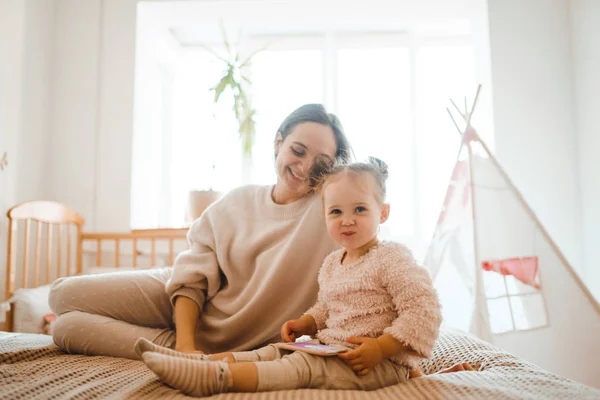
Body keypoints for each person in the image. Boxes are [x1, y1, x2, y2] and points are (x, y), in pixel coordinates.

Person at [48, 104, 353, 359]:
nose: (304, 167)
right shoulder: (238, 200)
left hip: (217, 341)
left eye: (321, 163)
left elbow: (369, 219)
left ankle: (176, 339)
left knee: (66, 328)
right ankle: (179, 337)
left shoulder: (330, 213)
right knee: (61, 293)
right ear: (278, 143)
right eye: (297, 151)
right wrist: (184, 346)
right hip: (182, 296)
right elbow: (191, 279)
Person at [135, 158, 445, 396]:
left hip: (376, 364)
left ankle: (215, 379)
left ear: (384, 213)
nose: (347, 220)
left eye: (360, 209)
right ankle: (199, 362)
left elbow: (424, 310)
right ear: (324, 215)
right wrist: (306, 324)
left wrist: (382, 348)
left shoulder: (392, 257)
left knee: (300, 368)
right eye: (336, 212)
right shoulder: (332, 263)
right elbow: (326, 309)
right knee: (274, 351)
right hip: (332, 348)